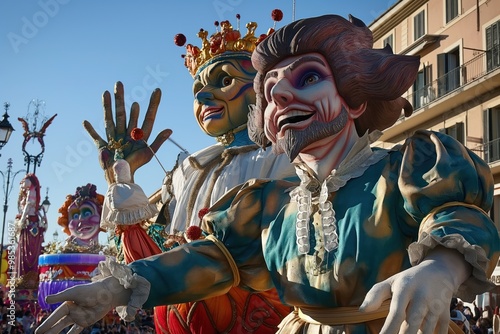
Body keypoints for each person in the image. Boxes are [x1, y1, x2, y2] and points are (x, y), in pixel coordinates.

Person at [35, 14, 500, 334]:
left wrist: (440, 269)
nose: (282, 98)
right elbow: (208, 260)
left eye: (308, 78)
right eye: (272, 90)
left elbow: (455, 215)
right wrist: (119, 284)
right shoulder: (266, 204)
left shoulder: (404, 167)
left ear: (355, 97)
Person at [82, 12, 295, 334]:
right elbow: (152, 250)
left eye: (225, 81)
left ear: (268, 88)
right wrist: (122, 180)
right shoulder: (187, 167)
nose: (202, 96)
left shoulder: (287, 155)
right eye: (198, 87)